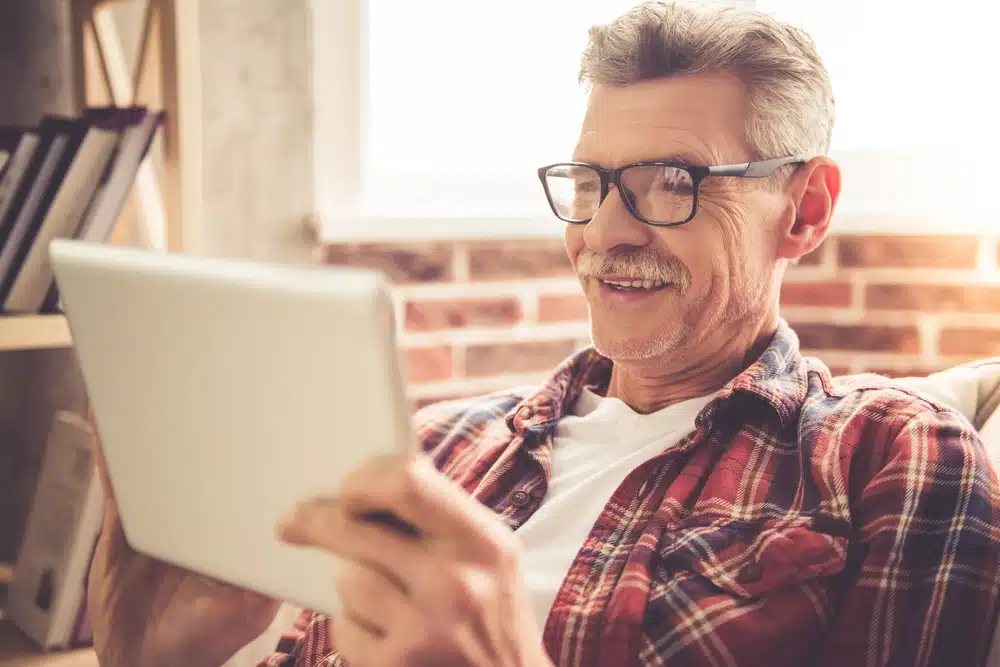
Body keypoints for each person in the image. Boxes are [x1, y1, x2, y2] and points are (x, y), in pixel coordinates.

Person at [85, 1, 1000, 666]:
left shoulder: (891, 455)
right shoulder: (430, 455)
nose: (606, 230)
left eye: (673, 181)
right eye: (591, 181)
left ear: (803, 211)